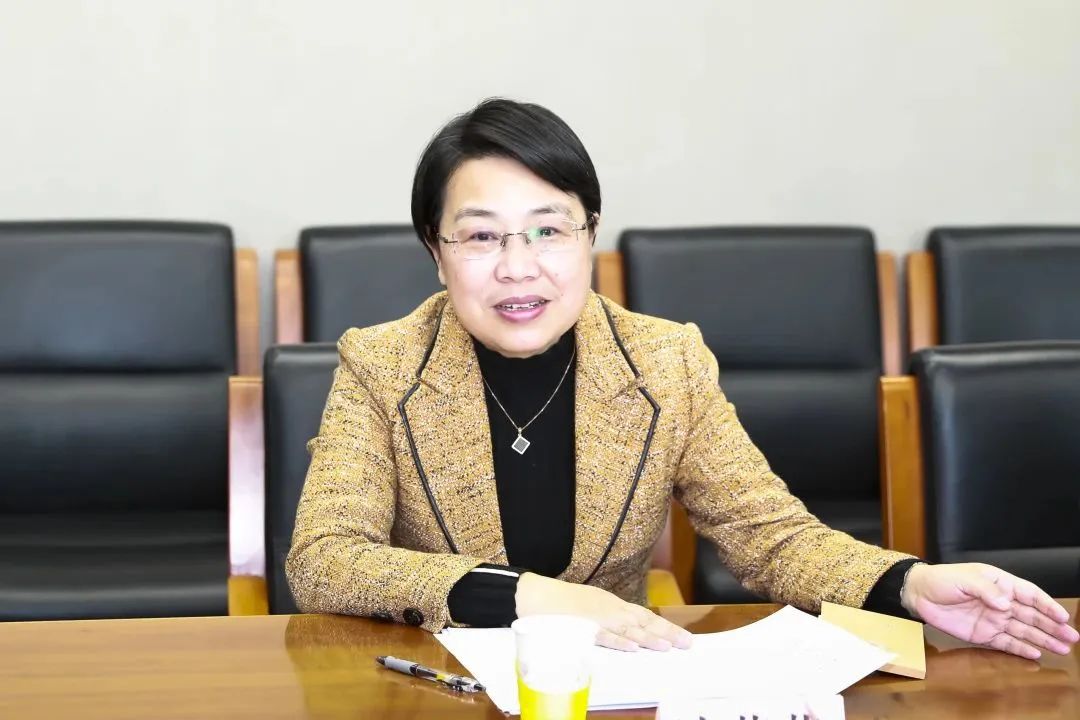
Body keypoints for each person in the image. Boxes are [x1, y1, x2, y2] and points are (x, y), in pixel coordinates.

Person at [286, 98, 1077, 660]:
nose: (519, 267)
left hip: (620, 685)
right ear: (437, 251)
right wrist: (534, 597)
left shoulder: (666, 362)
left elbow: (769, 537)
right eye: (482, 237)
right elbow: (324, 558)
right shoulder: (384, 363)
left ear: (591, 233)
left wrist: (910, 584)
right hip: (434, 685)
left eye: (549, 230)